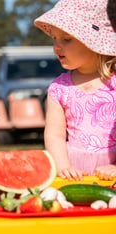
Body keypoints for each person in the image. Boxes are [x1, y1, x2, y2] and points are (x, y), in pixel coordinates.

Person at [34, 0, 116, 181]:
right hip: (73, 174)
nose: (57, 46)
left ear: (93, 41)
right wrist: (64, 167)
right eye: (54, 38)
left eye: (67, 39)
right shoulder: (59, 88)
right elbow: (54, 135)